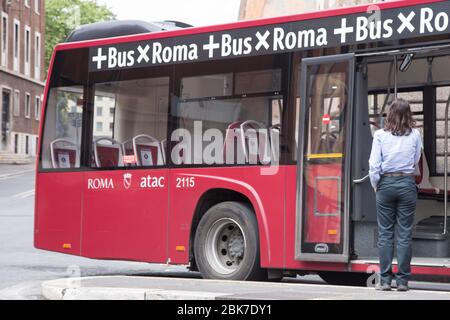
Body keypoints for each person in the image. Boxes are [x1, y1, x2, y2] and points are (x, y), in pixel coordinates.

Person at [369, 98, 422, 292]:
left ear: (389, 114)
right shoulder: (415, 134)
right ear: (408, 115)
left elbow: (374, 165)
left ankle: (384, 281)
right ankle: (402, 282)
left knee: (385, 234)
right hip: (407, 183)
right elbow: (416, 159)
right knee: (405, 234)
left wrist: (376, 184)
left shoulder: (380, 135)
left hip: (386, 184)